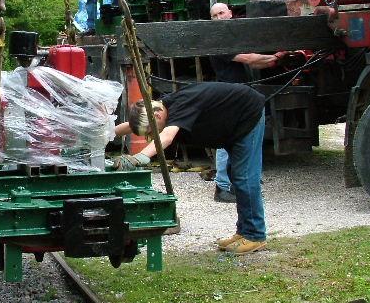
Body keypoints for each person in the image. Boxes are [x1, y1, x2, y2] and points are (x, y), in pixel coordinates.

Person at [114, 81, 268, 255]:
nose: (151, 135)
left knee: (245, 178)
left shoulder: (180, 107)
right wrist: (107, 134)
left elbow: (166, 137)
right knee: (236, 176)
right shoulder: (161, 108)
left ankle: (255, 235)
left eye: (151, 131)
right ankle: (244, 232)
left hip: (247, 115)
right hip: (232, 124)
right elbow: (131, 125)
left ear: (157, 116)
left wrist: (137, 158)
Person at [209, 2, 278, 204]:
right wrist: (275, 56)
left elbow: (255, 61)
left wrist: (275, 60)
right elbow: (248, 59)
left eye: (222, 13)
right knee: (225, 140)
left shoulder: (234, 38)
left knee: (247, 136)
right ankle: (222, 186)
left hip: (241, 93)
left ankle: (245, 179)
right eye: (215, 15)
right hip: (228, 96)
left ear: (230, 14)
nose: (219, 17)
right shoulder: (217, 41)